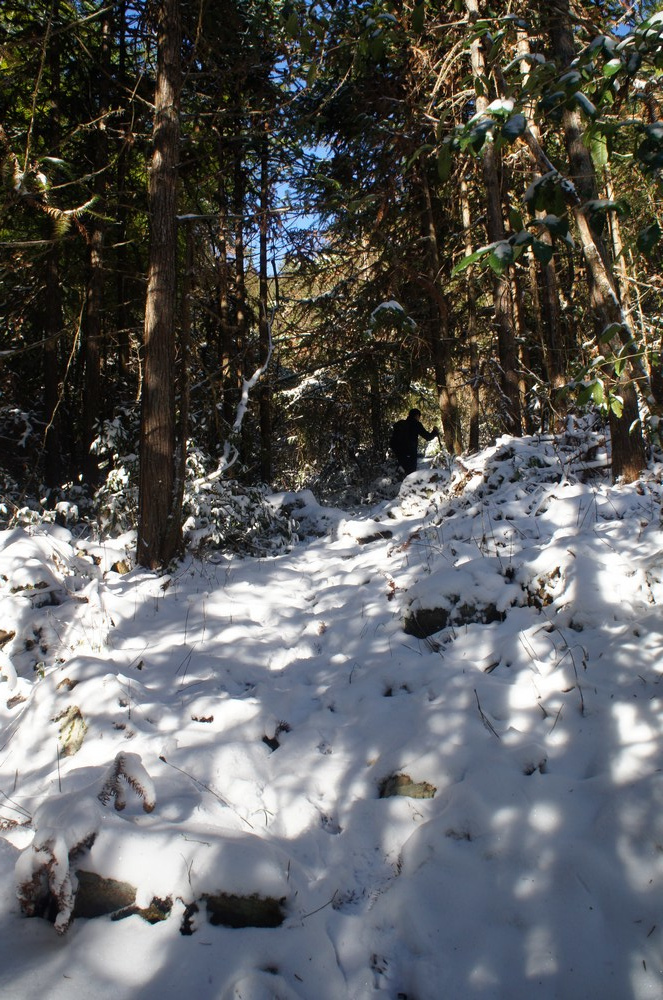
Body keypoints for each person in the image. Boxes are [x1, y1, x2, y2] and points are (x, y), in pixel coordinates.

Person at [390, 408, 439, 477]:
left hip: (399, 451)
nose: (419, 418)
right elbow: (428, 437)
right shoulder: (416, 424)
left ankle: (401, 481)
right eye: (419, 416)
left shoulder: (401, 423)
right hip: (410, 451)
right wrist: (435, 432)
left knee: (405, 471)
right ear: (416, 416)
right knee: (411, 473)